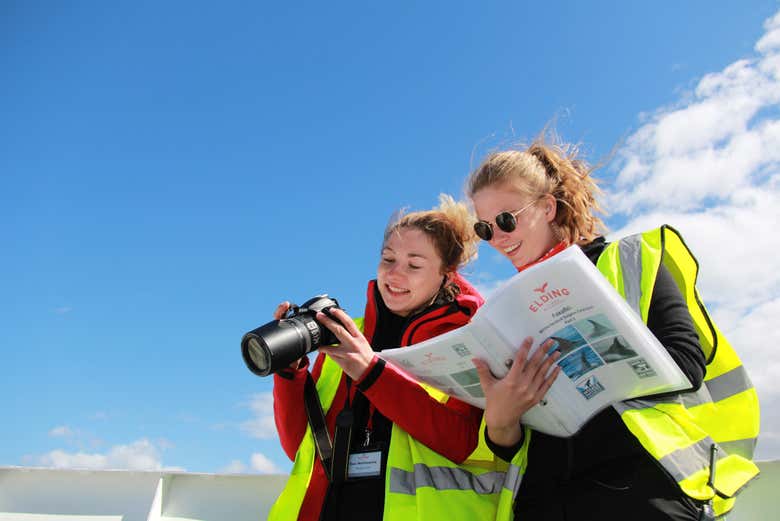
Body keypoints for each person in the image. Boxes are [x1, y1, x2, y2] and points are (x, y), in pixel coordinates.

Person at [464, 135, 760, 520]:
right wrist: (501, 419)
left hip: (639, 490)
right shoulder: (507, 314)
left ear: (548, 207)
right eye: (485, 230)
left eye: (506, 220)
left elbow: (687, 363)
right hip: (542, 498)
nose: (497, 238)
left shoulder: (628, 261)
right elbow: (506, 447)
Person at [268, 195, 506, 521]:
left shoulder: (468, 342)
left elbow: (462, 442)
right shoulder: (349, 338)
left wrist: (371, 372)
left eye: (414, 265)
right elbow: (301, 448)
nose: (394, 275)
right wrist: (289, 376)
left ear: (446, 275)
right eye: (388, 259)